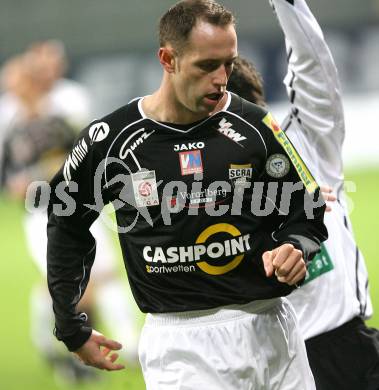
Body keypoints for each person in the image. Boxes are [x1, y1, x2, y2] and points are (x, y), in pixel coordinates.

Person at [46, 1, 327, 388]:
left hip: (273, 330)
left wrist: (297, 245)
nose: (222, 78)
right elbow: (65, 223)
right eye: (207, 66)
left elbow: (307, 206)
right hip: (182, 344)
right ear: (168, 58)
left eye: (228, 63)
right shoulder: (109, 141)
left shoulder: (258, 126)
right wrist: (70, 324)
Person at [227, 0, 379, 389]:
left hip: (331, 352)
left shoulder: (304, 138)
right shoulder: (198, 178)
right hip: (282, 362)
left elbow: (313, 66)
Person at [0, 42, 141, 383]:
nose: (17, 87)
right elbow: (11, 175)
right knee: (72, 282)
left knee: (96, 275)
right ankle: (69, 351)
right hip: (43, 214)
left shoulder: (62, 113)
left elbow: (84, 153)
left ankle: (115, 345)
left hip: (79, 206)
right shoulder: (13, 124)